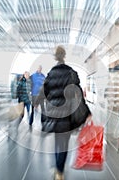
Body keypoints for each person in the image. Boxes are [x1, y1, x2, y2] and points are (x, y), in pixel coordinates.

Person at [38, 45, 91, 180]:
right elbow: (78, 94)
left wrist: (37, 102)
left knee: (57, 142)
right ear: (64, 56)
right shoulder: (71, 73)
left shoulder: (51, 73)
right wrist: (87, 112)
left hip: (54, 114)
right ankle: (59, 171)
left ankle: (58, 169)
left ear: (55, 57)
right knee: (64, 142)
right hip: (67, 114)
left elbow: (43, 92)